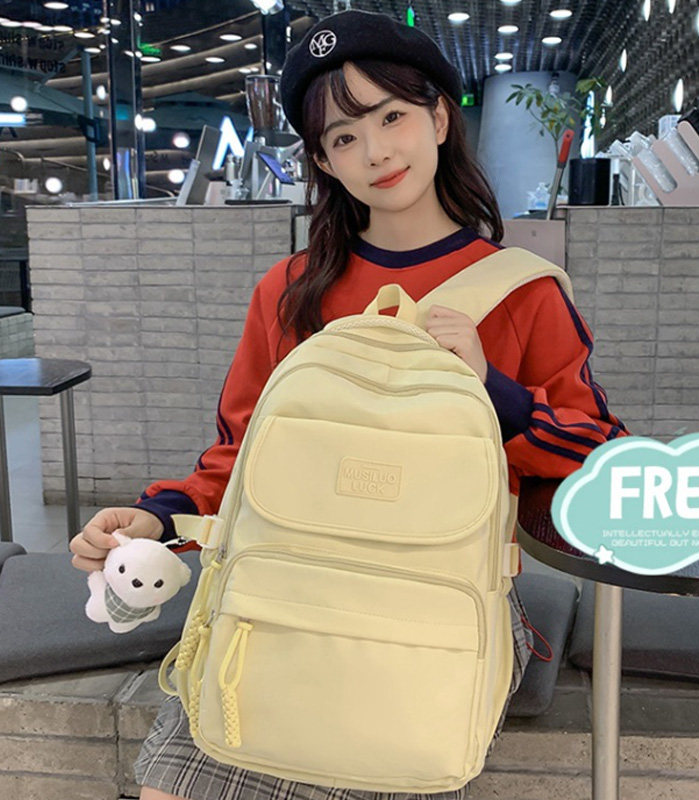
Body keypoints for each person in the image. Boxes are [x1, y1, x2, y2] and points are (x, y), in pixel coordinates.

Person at [69, 10, 628, 800]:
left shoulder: (522, 293)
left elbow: (602, 458)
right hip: (284, 582)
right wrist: (157, 520)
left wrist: (493, 393)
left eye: (392, 117)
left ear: (440, 118)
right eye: (343, 136)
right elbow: (238, 457)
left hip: (432, 600)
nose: (376, 152)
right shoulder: (291, 291)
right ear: (324, 162)